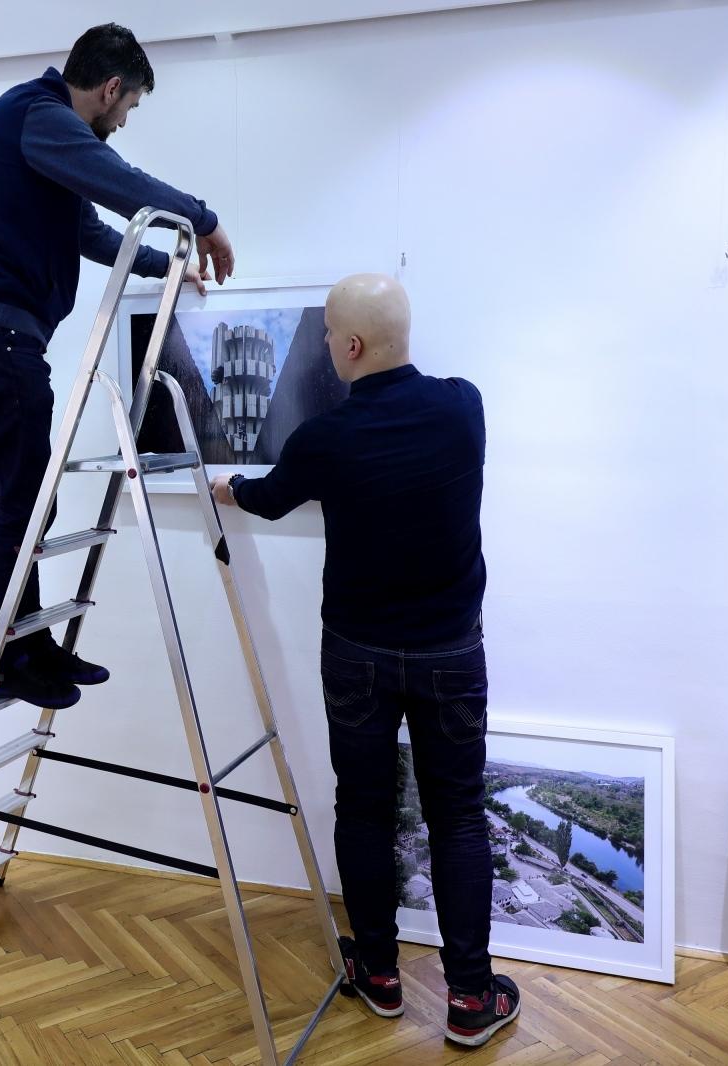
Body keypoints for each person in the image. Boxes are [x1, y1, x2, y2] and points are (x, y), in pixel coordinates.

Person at [210, 274, 520, 1048]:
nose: (323, 348)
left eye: (326, 338)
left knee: (364, 809)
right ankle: (472, 1000)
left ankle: (377, 975)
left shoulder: (326, 440)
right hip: (452, 652)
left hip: (356, 655)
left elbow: (271, 497)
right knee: (458, 818)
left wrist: (228, 487)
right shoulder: (463, 408)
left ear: (350, 347)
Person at [0, 23, 233, 710]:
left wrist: (168, 266)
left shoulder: (43, 137)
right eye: (129, 105)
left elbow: (88, 233)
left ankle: (27, 643)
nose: (125, 119)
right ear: (109, 89)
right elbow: (120, 186)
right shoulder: (36, 116)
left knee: (26, 504)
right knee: (20, 504)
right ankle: (3, 660)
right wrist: (204, 220)